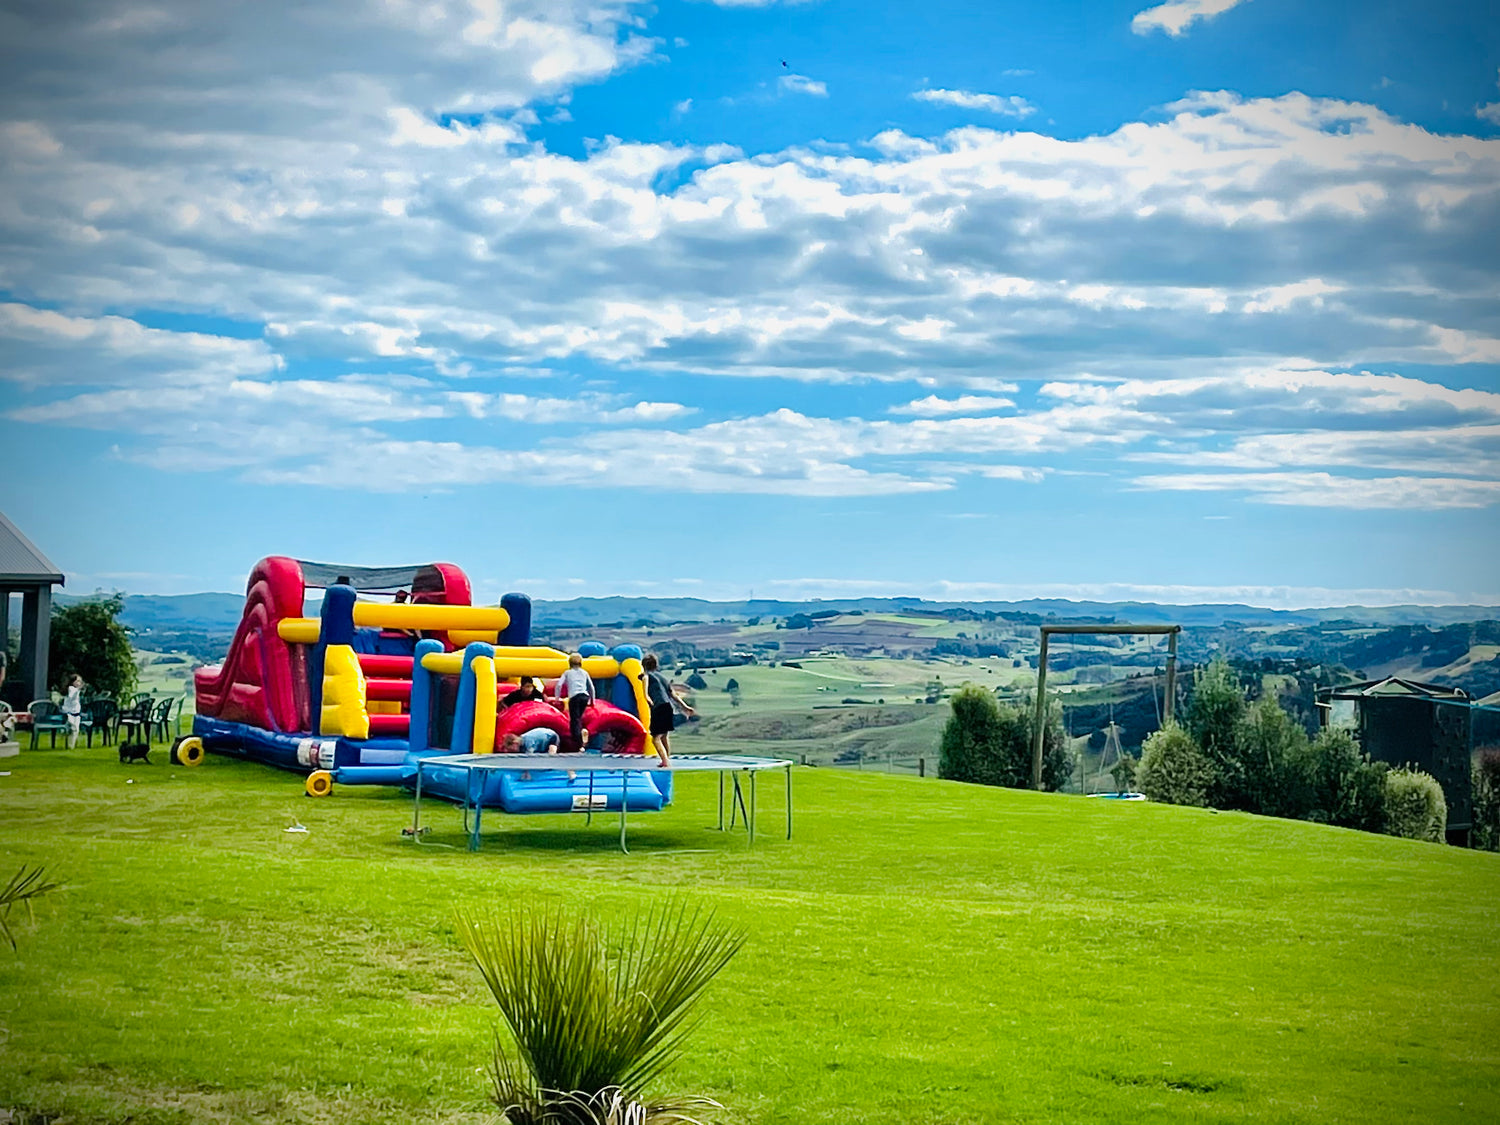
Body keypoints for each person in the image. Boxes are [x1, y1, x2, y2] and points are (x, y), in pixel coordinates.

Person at [639, 654, 694, 768]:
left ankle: (665, 761)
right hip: (669, 707)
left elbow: (645, 680)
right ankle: (666, 758)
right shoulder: (662, 678)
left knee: (655, 738)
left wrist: (646, 697)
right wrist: (685, 706)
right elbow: (673, 694)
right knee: (664, 736)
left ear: (643, 665)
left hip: (658, 707)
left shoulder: (646, 675)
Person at [554, 653, 594, 749]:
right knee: (578, 718)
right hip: (584, 696)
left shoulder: (567, 673)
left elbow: (559, 685)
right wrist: (592, 701)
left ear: (570, 663)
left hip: (574, 697)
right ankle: (582, 735)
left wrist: (557, 698)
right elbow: (591, 687)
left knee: (574, 720)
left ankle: (578, 742)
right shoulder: (584, 672)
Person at [61, 673, 84, 749]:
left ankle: (72, 745)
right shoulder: (70, 688)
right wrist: (78, 690)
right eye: (77, 681)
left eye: (80, 681)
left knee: (76, 728)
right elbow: (71, 697)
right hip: (69, 712)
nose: (79, 683)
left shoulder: (76, 690)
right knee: (72, 727)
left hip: (76, 713)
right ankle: (69, 743)